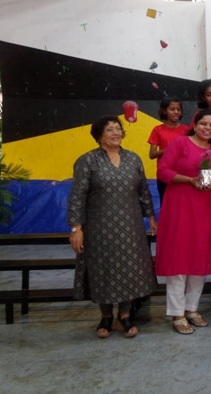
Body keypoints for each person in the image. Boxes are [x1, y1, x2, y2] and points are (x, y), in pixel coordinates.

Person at [68, 115, 157, 338]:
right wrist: (76, 228)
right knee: (103, 269)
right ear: (99, 135)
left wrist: (151, 217)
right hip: (99, 227)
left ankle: (124, 316)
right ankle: (106, 316)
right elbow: (77, 196)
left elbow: (143, 191)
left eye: (118, 128)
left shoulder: (133, 159)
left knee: (129, 268)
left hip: (131, 226)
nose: (116, 133)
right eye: (110, 129)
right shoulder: (88, 161)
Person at [155, 109, 211, 334]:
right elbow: (163, 171)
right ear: (195, 124)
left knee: (199, 259)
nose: (207, 128)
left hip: (204, 208)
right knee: (178, 259)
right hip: (179, 206)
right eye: (203, 123)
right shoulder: (180, 143)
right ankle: (177, 313)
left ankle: (192, 309)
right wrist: (189, 180)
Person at [148, 97, 190, 202]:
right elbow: (152, 154)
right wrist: (170, 149)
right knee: (165, 204)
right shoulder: (158, 130)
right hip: (164, 175)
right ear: (164, 111)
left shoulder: (186, 130)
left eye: (178, 109)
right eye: (172, 109)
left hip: (182, 175)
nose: (176, 112)